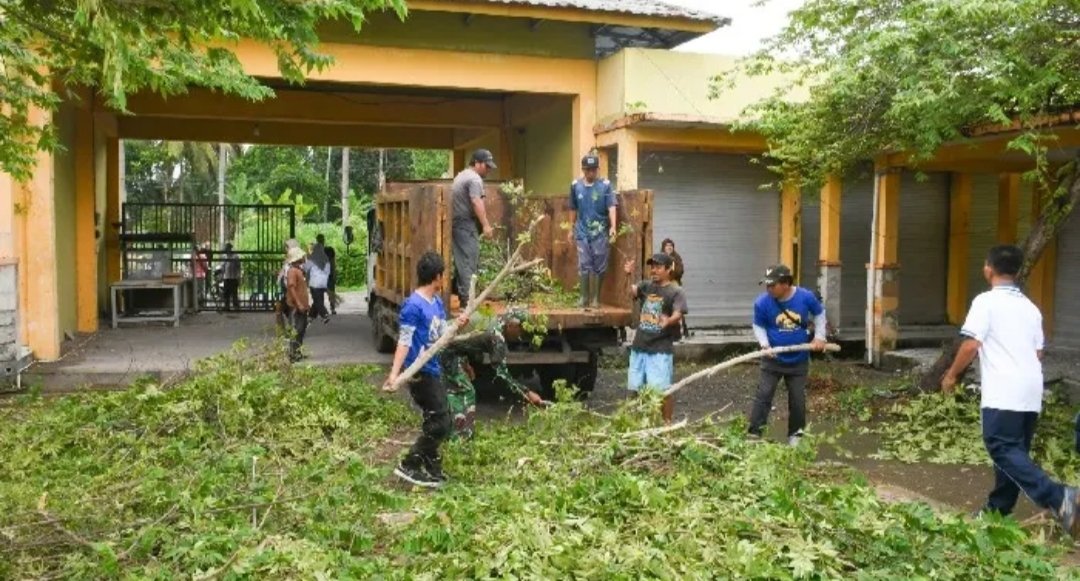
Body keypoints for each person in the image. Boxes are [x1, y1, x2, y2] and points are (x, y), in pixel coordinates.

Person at [942, 245, 1080, 535]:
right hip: (1031, 391)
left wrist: (952, 375)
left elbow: (970, 344)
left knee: (1001, 447)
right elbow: (1038, 352)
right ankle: (999, 508)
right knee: (1014, 453)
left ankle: (1059, 497)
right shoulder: (1031, 308)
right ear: (1017, 272)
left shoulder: (986, 301)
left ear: (988, 270)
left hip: (1004, 391)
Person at [383, 252, 469, 487]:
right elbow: (404, 341)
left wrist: (457, 325)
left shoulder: (437, 303)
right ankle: (409, 464)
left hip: (434, 367)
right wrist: (395, 374)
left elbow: (440, 333)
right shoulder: (413, 306)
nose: (444, 280)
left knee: (440, 419)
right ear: (437, 277)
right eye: (443, 276)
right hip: (420, 372)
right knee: (441, 422)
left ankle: (433, 468)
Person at [747, 264, 827, 445]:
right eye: (766, 285)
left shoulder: (805, 297)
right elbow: (758, 325)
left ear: (785, 284)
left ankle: (795, 437)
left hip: (798, 360)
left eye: (772, 285)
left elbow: (820, 314)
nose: (768, 289)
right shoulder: (762, 302)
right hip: (772, 359)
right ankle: (754, 435)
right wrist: (764, 344)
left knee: (797, 399)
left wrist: (820, 338)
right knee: (764, 395)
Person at [441, 310, 546, 440]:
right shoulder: (497, 338)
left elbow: (466, 341)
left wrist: (465, 364)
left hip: (445, 344)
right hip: (441, 348)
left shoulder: (491, 319)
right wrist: (526, 393)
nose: (521, 336)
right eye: (521, 330)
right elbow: (500, 375)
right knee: (464, 392)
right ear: (511, 325)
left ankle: (453, 433)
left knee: (459, 389)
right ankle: (460, 438)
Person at [622, 253, 688, 424]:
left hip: (660, 349)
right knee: (635, 389)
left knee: (662, 391)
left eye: (658, 267)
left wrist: (669, 320)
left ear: (668, 269)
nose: (654, 270)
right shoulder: (646, 286)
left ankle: (666, 426)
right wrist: (628, 274)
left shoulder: (676, 291)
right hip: (640, 346)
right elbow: (631, 292)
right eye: (652, 267)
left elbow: (678, 312)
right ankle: (634, 425)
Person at [568, 154, 617, 309]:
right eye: (588, 170)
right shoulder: (576, 186)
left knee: (599, 264)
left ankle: (595, 298)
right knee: (584, 263)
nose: (591, 173)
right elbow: (573, 208)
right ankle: (583, 297)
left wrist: (613, 226)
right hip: (582, 231)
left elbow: (612, 206)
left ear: (598, 170)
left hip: (600, 231)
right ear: (583, 170)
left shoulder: (605, 186)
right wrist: (570, 228)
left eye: (594, 170)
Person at [451, 149, 496, 309]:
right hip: (465, 224)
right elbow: (476, 201)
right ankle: (467, 302)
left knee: (461, 260)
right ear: (477, 163)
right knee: (469, 261)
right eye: (486, 166)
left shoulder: (461, 175)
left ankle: (462, 295)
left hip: (457, 224)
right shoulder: (474, 179)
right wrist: (485, 225)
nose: (488, 170)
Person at [284, 246, 310, 362]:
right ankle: (292, 354)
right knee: (296, 329)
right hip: (296, 306)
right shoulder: (292, 271)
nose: (304, 258)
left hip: (302, 306)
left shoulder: (298, 271)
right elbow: (291, 288)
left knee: (301, 329)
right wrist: (299, 303)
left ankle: (297, 352)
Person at [661, 238, 690, 337]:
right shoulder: (659, 258)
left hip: (674, 284)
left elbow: (680, 271)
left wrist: (672, 264)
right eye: (667, 246)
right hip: (663, 285)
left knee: (677, 308)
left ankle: (682, 331)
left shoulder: (676, 258)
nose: (669, 247)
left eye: (671, 246)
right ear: (663, 247)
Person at [306, 239, 332, 324]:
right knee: (318, 300)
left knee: (317, 301)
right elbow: (328, 271)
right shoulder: (326, 259)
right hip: (323, 283)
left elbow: (305, 268)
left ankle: (325, 315)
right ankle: (311, 316)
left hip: (314, 283)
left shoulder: (312, 259)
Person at [220, 243, 242, 312]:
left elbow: (238, 266)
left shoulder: (235, 257)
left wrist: (239, 275)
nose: (227, 251)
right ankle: (227, 306)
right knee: (226, 293)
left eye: (227, 249)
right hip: (227, 277)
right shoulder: (224, 257)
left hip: (233, 277)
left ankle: (236, 307)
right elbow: (223, 267)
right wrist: (222, 275)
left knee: (234, 293)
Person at [324, 237, 341, 315]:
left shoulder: (324, 258)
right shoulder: (331, 259)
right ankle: (332, 308)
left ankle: (330, 308)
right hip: (328, 277)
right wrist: (334, 276)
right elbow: (333, 267)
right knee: (331, 294)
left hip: (326, 277)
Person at [193, 243, 209, 308]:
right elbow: (205, 265)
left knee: (196, 290)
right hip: (201, 275)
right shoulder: (203, 256)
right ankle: (202, 304)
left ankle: (196, 305)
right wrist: (206, 271)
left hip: (194, 275)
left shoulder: (193, 256)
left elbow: (190, 266)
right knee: (201, 290)